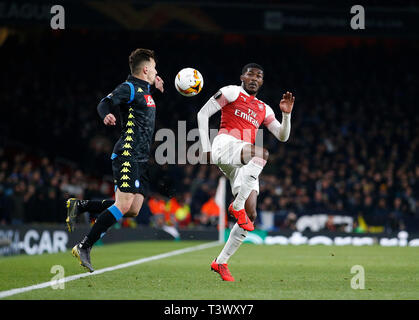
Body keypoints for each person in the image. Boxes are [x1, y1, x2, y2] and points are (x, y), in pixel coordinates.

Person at [197, 63, 294, 281]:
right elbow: (202, 114)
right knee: (263, 154)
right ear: (242, 76)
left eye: (259, 76)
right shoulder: (231, 92)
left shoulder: (264, 108)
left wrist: (286, 115)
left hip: (243, 161)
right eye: (250, 74)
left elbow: (283, 136)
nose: (254, 78)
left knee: (251, 215)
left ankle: (220, 262)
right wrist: (206, 148)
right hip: (226, 144)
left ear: (262, 82)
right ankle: (236, 205)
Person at [70, 48, 164, 272]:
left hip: (141, 159)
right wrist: (106, 115)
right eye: (154, 67)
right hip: (127, 153)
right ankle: (84, 246)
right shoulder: (129, 87)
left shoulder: (145, 90)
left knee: (133, 209)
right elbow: (104, 103)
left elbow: (143, 108)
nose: (157, 71)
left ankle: (81, 206)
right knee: (123, 204)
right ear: (145, 69)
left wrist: (155, 87)